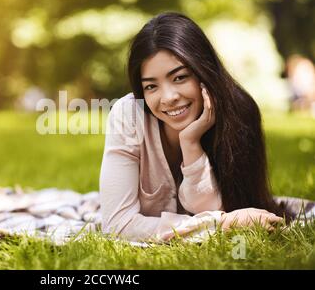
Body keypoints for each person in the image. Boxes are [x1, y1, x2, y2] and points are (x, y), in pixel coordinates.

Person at [99, 12, 289, 243]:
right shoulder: (128, 115)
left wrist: (191, 143)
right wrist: (222, 224)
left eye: (179, 78)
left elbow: (219, 207)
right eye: (151, 86)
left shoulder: (241, 113)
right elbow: (118, 225)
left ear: (203, 71)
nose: (168, 97)